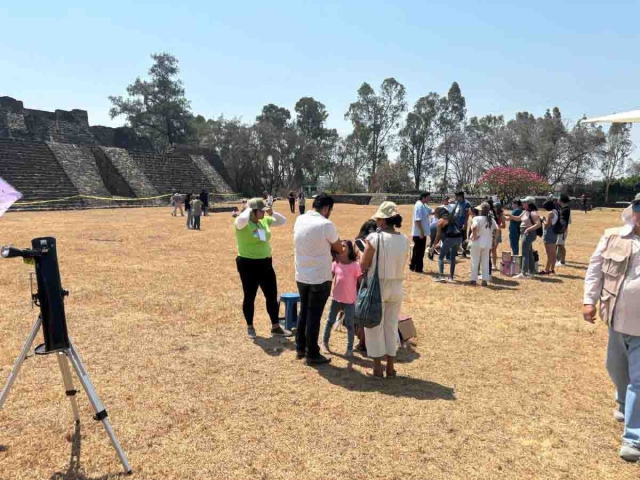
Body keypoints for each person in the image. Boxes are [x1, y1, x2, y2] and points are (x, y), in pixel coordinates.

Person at [583, 194, 640, 462]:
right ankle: (622, 402)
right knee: (615, 368)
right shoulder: (613, 236)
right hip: (616, 319)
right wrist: (589, 301)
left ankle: (633, 438)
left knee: (639, 382)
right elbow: (595, 270)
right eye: (639, 207)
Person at [359, 202, 410, 378]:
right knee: (391, 326)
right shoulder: (404, 239)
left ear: (382, 221)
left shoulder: (374, 239)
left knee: (374, 326)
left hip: (377, 286)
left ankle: (377, 368)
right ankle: (390, 366)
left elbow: (364, 265)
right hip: (397, 285)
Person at [293, 193, 343, 365]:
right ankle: (312, 352)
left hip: (301, 274)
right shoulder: (326, 224)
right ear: (326, 208)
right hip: (319, 277)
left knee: (304, 311)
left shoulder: (300, 219)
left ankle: (300, 346)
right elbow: (339, 247)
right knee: (314, 315)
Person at [234, 198, 290, 339]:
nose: (264, 213)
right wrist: (249, 207)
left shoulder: (264, 220)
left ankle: (275, 326)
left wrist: (271, 211)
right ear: (252, 211)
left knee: (271, 295)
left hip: (265, 263)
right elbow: (242, 220)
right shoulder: (242, 223)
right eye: (261, 210)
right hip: (247, 264)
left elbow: (283, 221)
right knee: (250, 296)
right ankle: (250, 326)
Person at [321, 240, 362, 357]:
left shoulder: (355, 266)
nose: (341, 248)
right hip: (336, 299)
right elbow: (330, 278)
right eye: (340, 246)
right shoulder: (335, 264)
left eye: (344, 246)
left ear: (350, 250)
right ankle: (324, 343)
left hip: (350, 301)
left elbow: (360, 282)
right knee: (330, 321)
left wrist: (359, 297)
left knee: (350, 325)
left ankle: (349, 349)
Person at [353, 219, 378, 355]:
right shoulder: (376, 243)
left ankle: (362, 341)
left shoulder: (357, 243)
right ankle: (367, 341)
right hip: (373, 280)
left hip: (360, 280)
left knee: (361, 310)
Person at [508, 198, 541, 279]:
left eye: (524, 202)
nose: (522, 203)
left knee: (524, 253)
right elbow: (518, 218)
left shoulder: (533, 213)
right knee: (529, 253)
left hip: (529, 233)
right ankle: (531, 271)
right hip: (524, 233)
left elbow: (538, 224)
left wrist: (528, 229)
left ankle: (524, 273)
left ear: (529, 203)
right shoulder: (525, 211)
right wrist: (510, 216)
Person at [469, 203, 498, 286]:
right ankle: (484, 280)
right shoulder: (491, 219)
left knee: (475, 261)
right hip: (487, 242)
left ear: (480, 210)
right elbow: (497, 230)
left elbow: (474, 228)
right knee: (485, 261)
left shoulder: (476, 218)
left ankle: (473, 279)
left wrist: (474, 237)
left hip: (477, 242)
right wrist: (494, 240)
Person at [434, 208, 463, 283]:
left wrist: (434, 245)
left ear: (439, 213)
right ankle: (451, 277)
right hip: (459, 238)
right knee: (452, 257)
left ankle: (441, 276)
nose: (435, 215)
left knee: (441, 257)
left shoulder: (440, 221)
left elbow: (438, 235)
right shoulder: (454, 218)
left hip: (450, 239)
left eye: (435, 214)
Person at [410, 192, 432, 273]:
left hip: (420, 233)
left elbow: (431, 211)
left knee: (417, 250)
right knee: (419, 251)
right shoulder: (419, 206)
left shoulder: (424, 205)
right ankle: (418, 268)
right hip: (419, 233)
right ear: (423, 197)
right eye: (428, 197)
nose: (430, 199)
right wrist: (421, 232)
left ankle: (413, 266)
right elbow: (417, 220)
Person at [540, 200, 560, 274]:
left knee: (549, 254)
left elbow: (547, 225)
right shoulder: (556, 211)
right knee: (554, 253)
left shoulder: (550, 213)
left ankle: (546, 270)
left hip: (549, 234)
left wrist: (543, 220)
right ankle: (552, 269)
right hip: (554, 234)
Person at [453, 191, 471, 258]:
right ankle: (455, 251)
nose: (456, 197)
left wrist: (465, 224)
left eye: (457, 196)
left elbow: (467, 215)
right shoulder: (457, 202)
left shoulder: (467, 203)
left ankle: (464, 252)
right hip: (456, 223)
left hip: (462, 223)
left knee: (463, 238)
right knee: (455, 237)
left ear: (461, 196)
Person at [556, 194, 572, 266]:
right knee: (559, 244)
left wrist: (563, 229)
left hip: (562, 230)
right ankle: (559, 260)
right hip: (561, 229)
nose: (557, 200)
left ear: (561, 200)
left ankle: (562, 261)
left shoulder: (565, 209)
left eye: (559, 199)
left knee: (561, 245)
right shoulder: (563, 208)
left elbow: (564, 221)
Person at [491, 205, 506, 270]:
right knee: (489, 249)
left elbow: (504, 226)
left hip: (497, 233)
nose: (494, 208)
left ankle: (494, 265)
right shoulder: (490, 214)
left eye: (495, 207)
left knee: (493, 249)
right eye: (494, 207)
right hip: (490, 233)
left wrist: (497, 226)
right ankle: (488, 264)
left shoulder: (501, 216)